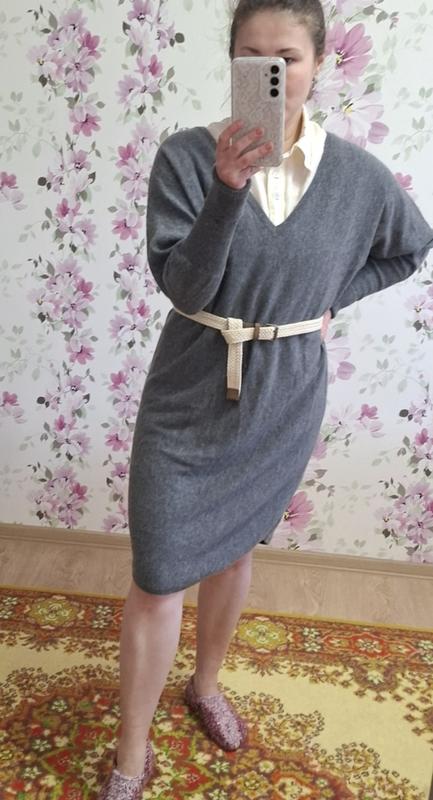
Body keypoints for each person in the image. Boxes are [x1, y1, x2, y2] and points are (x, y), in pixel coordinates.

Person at [97, 1, 433, 797]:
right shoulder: (186, 158)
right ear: (232, 62)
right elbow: (184, 287)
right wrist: (226, 189)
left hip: (284, 393)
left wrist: (331, 298)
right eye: (252, 57)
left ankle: (205, 684)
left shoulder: (356, 177)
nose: (271, 72)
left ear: (319, 64)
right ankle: (131, 754)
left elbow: (409, 247)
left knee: (236, 550)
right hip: (188, 387)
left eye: (287, 57)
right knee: (157, 574)